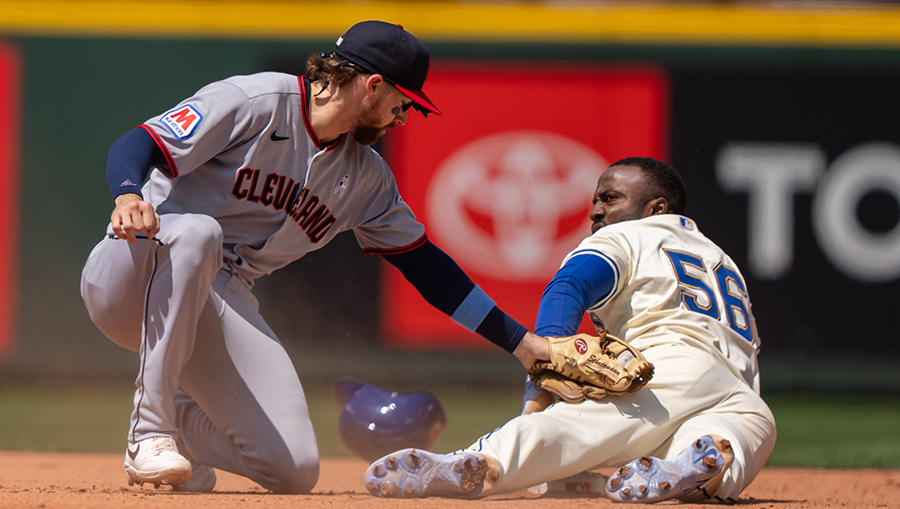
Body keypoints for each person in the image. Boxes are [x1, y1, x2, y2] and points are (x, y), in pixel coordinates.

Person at [80, 20, 547, 494]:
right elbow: (138, 143)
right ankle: (149, 431)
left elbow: (426, 266)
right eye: (402, 103)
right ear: (373, 86)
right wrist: (126, 197)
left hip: (215, 297)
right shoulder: (255, 101)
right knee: (201, 232)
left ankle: (178, 432)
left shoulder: (366, 177)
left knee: (292, 469)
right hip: (137, 266)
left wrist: (524, 346)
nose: (403, 116)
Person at [364, 157, 777, 503]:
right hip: (744, 396)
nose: (597, 210)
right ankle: (698, 461)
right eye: (596, 199)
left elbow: (568, 287)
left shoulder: (625, 236)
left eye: (611, 198)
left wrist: (541, 385)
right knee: (735, 444)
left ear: (656, 209)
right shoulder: (720, 259)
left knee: (569, 429)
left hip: (669, 369)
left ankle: (476, 462)